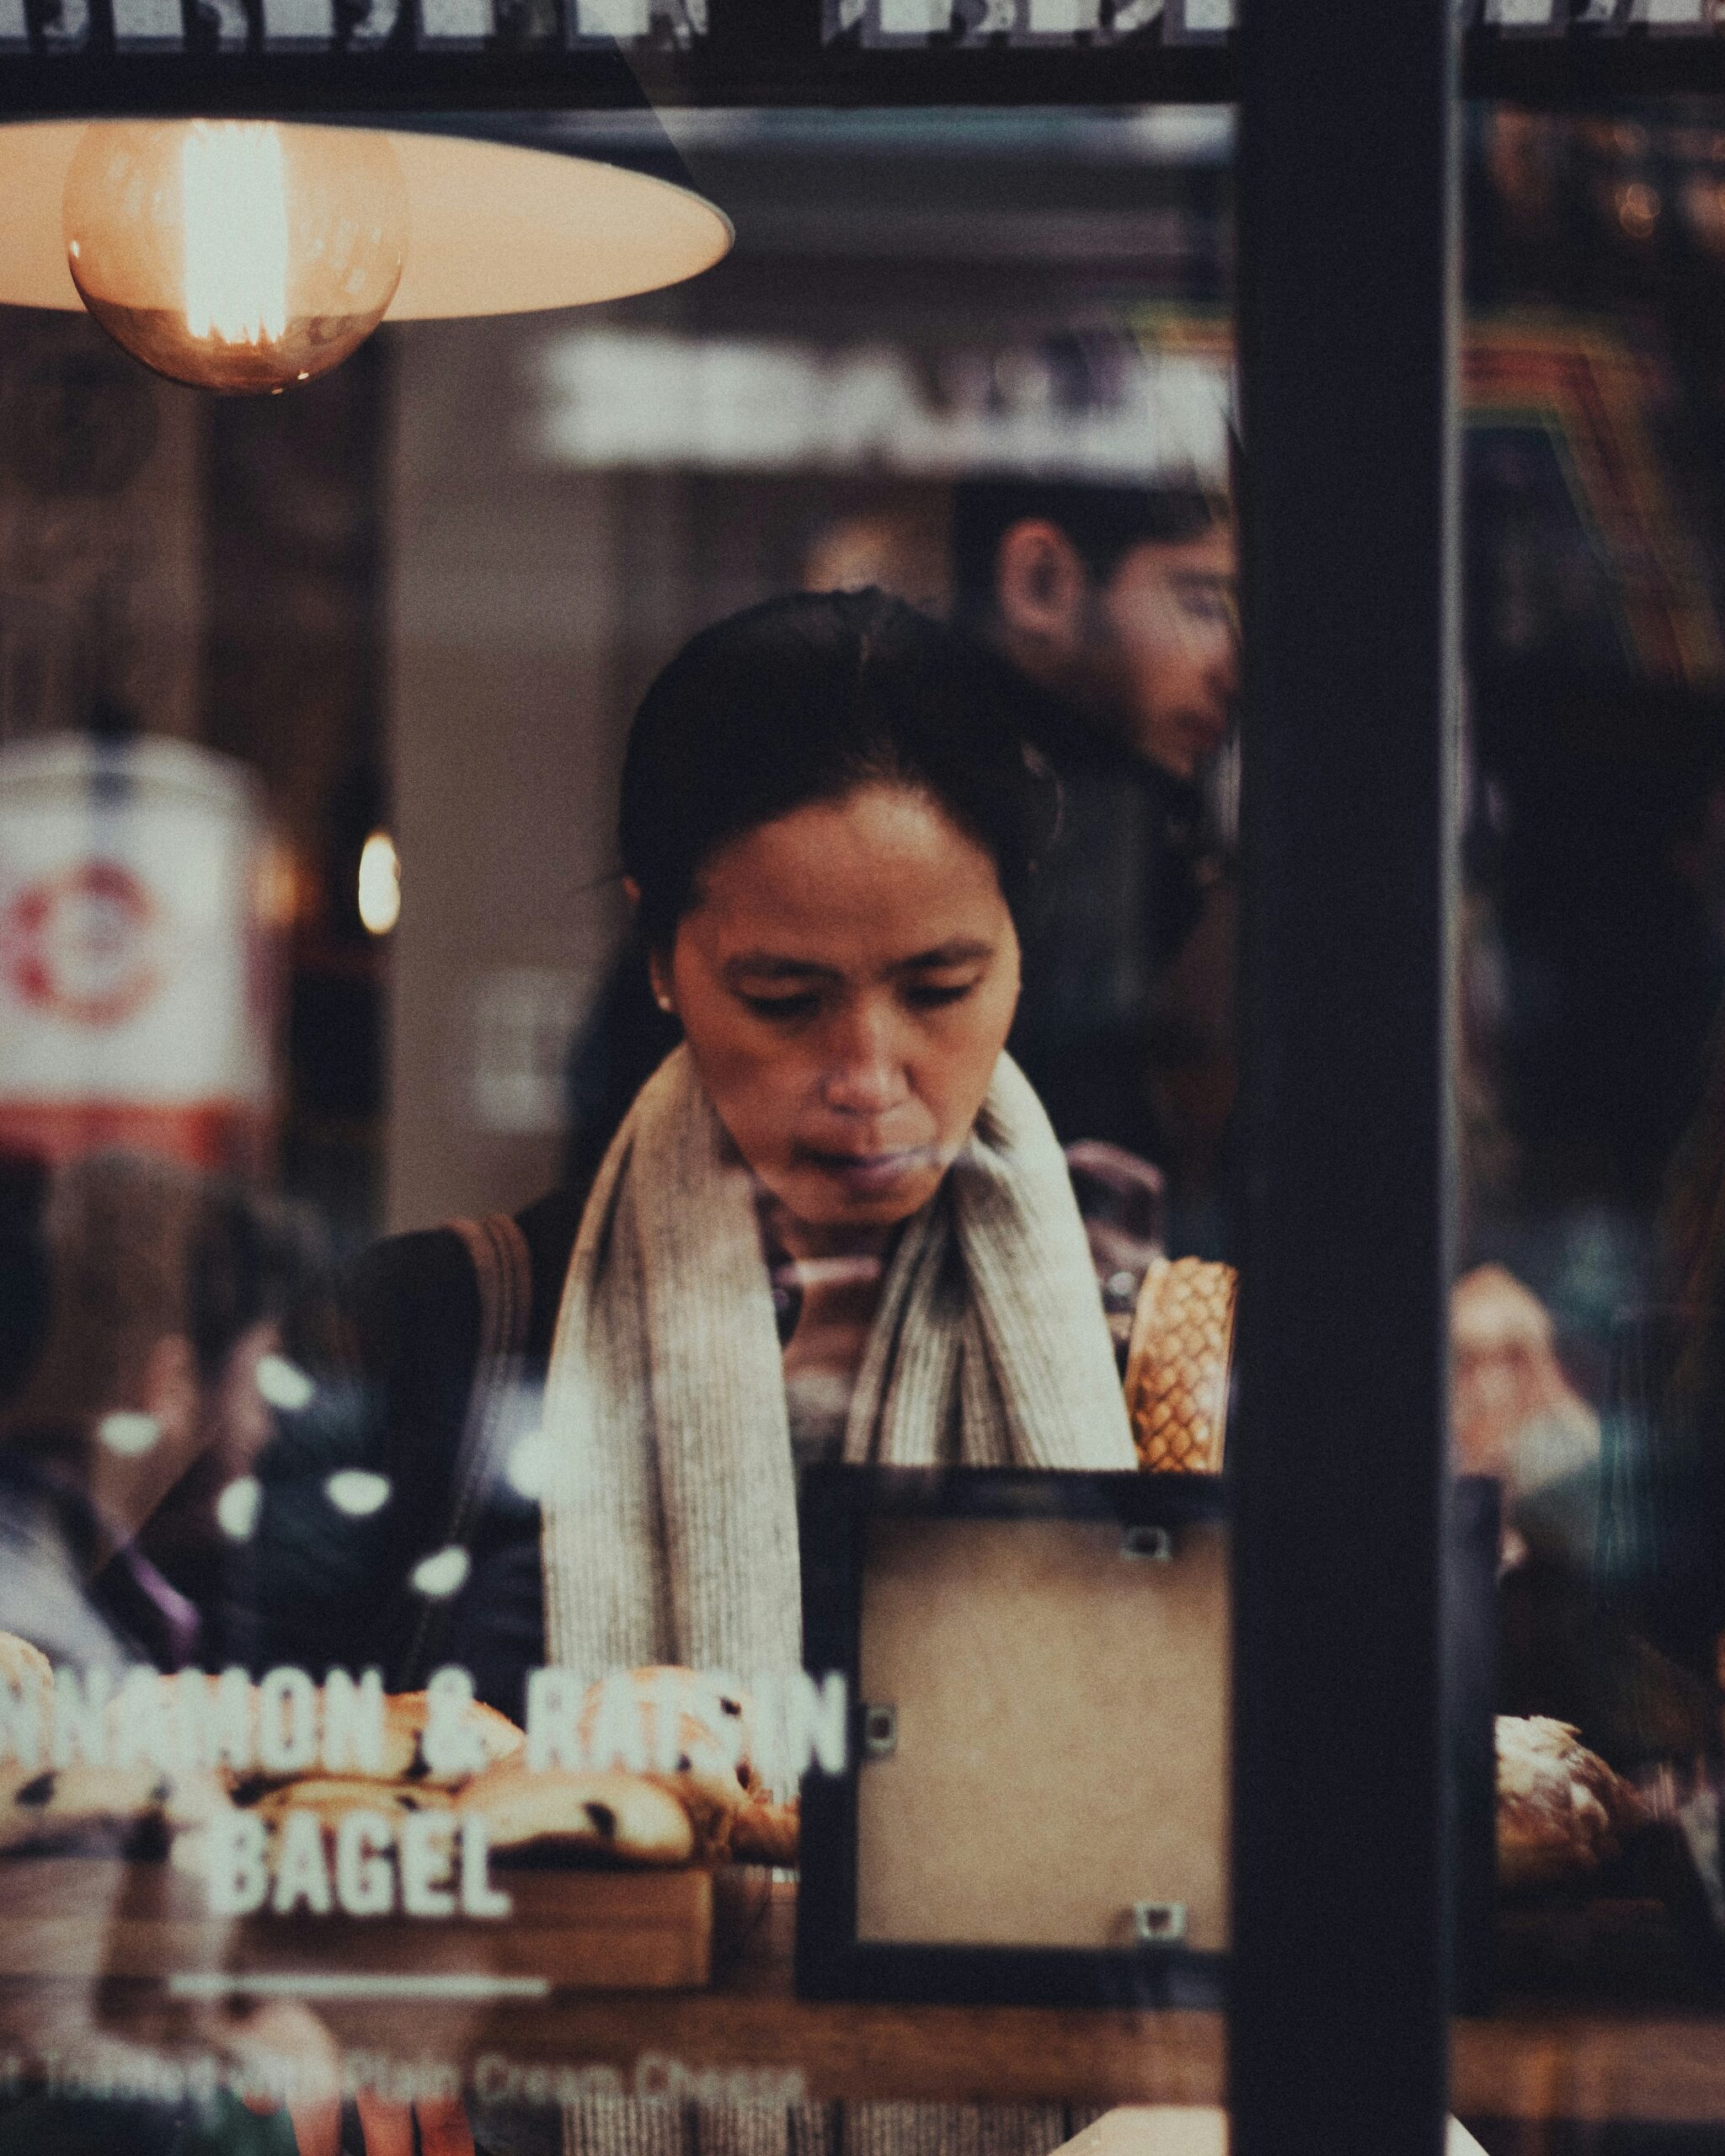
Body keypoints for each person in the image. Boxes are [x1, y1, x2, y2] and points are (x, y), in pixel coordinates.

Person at [286, 591, 1136, 2156]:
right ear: (663, 953)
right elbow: (172, 1774)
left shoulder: (1152, 1359)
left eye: (940, 989)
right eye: (784, 997)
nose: (868, 1080)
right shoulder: (441, 1337)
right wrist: (327, 1974)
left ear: (1021, 942)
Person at [949, 476, 1239, 1202]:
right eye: (1205, 604)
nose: (1237, 669)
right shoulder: (1055, 821)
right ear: (1040, 583)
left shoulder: (1131, 807)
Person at [0, 1150, 302, 1676]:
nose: (266, 1428)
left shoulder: (87, 1582)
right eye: (261, 1378)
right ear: (169, 1381)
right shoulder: (64, 1661)